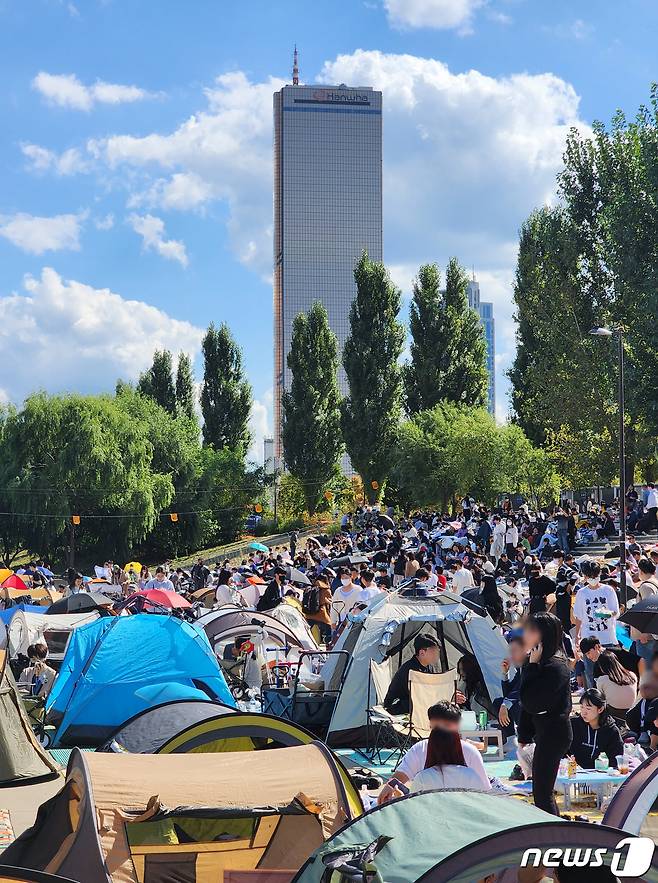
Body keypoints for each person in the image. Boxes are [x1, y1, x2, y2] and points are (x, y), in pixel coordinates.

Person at [377, 700, 491, 802]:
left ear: (457, 726)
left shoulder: (470, 751)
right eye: (435, 727)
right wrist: (391, 785)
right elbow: (402, 774)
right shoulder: (420, 749)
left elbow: (484, 792)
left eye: (446, 726)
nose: (439, 732)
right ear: (430, 726)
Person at [518, 611, 572, 815]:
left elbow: (531, 701)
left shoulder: (556, 666)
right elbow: (526, 701)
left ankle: (553, 833)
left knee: (543, 792)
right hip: (543, 731)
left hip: (555, 733)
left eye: (532, 630)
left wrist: (531, 667)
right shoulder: (537, 661)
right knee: (540, 790)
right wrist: (524, 734)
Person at [408, 726, 489, 793]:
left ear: (431, 748)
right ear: (458, 747)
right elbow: (482, 801)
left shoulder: (422, 777)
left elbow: (413, 806)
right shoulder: (471, 775)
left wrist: (400, 797)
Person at [383, 634, 441, 714]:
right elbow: (421, 696)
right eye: (433, 651)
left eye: (437, 651)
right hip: (398, 709)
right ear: (422, 652)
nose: (436, 655)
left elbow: (434, 689)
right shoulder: (410, 670)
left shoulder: (429, 667)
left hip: (417, 706)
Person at [569, 688, 624, 769]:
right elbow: (562, 751)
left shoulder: (611, 731)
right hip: (574, 773)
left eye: (588, 708)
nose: (584, 712)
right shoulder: (573, 725)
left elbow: (616, 758)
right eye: (581, 707)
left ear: (600, 709)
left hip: (601, 776)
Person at [573, 560, 619, 652]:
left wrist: (605, 613)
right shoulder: (581, 593)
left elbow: (616, 612)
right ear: (585, 576)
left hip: (607, 637)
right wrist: (577, 635)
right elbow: (579, 617)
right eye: (590, 576)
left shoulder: (608, 590)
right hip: (588, 638)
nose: (593, 579)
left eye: (595, 576)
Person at [595, 650, 637, 721]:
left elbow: (601, 699)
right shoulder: (632, 676)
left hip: (613, 713)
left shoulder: (602, 680)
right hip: (632, 712)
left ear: (601, 666)